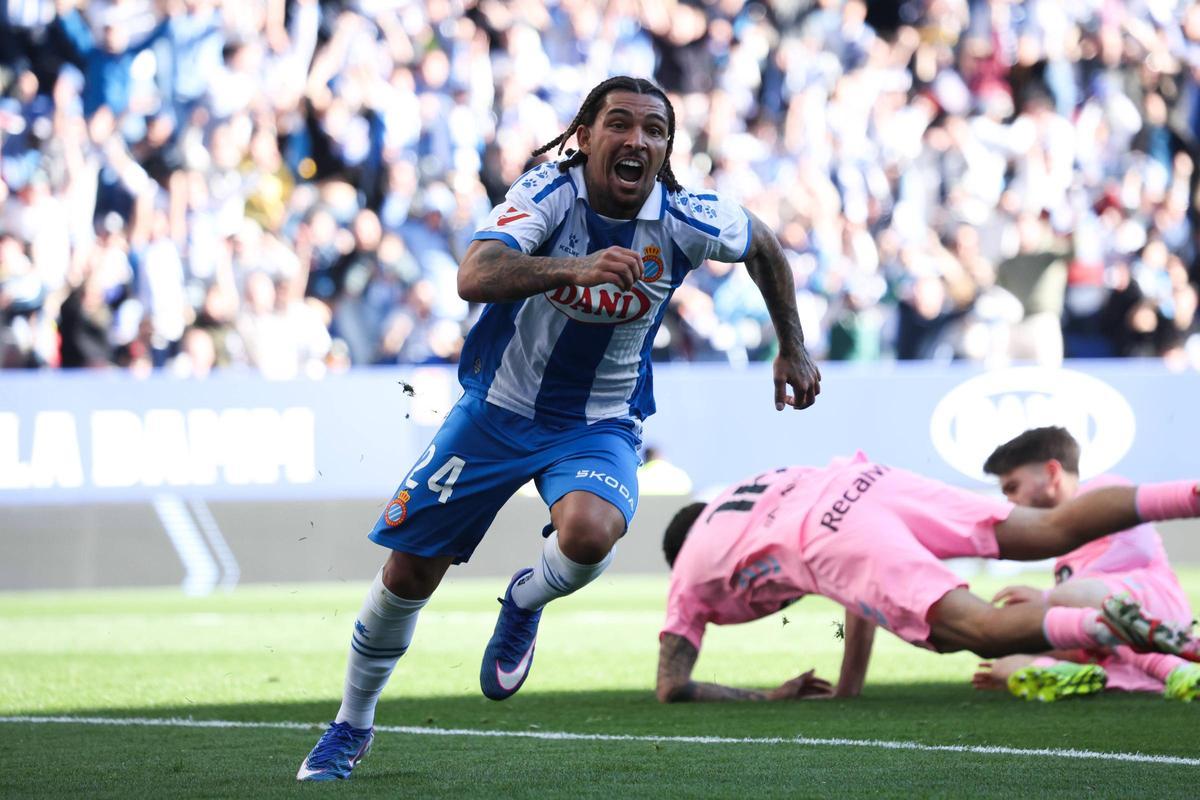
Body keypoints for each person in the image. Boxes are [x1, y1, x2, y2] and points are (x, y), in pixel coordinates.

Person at [297, 75, 822, 781]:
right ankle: (351, 724)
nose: (637, 140)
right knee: (409, 573)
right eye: (620, 123)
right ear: (585, 136)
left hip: (599, 421)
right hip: (496, 411)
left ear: (666, 149)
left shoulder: (686, 217)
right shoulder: (548, 193)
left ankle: (525, 598)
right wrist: (575, 267)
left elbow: (763, 245)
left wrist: (792, 346)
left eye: (655, 130)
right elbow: (474, 274)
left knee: (590, 533)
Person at [655, 452, 1199, 703]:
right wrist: (850, 686)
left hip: (825, 533)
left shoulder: (688, 575)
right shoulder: (742, 490)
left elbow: (671, 686)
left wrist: (768, 698)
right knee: (1048, 529)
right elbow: (852, 590)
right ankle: (1186, 494)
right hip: (866, 480)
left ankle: (1099, 626)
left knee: (977, 629)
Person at [969, 427, 1200, 702]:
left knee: (1077, 597)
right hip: (1107, 640)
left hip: (1152, 609)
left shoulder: (1102, 493)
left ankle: (1176, 670)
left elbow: (1139, 549)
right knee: (1008, 651)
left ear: (1052, 473)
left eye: (1013, 487)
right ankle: (1071, 675)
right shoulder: (1061, 543)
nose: (1010, 500)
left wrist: (1047, 598)